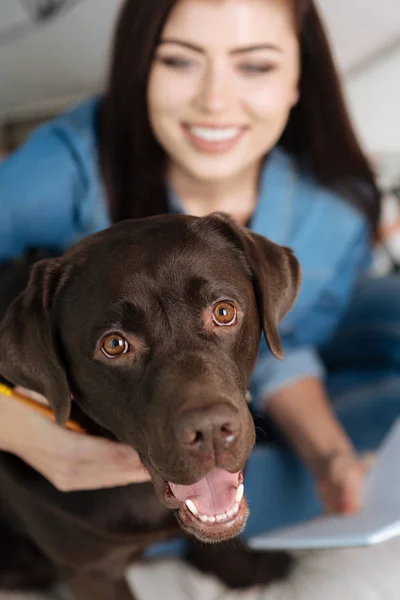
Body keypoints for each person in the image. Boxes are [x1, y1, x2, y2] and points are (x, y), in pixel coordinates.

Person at [0, 0, 398, 548]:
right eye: (180, 62)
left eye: (254, 65)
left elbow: (286, 347)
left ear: (297, 79)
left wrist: (328, 454)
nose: (215, 100)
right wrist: (17, 431)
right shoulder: (61, 172)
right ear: (140, 69)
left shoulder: (331, 210)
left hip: (233, 389)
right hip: (131, 425)